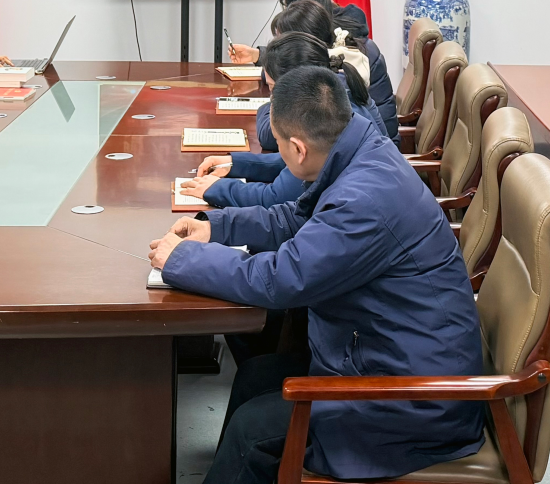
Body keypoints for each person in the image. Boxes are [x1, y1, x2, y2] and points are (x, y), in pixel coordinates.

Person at [150, 67, 484, 484]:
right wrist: (217, 228)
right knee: (256, 378)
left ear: (297, 149)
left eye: (280, 148)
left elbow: (281, 279)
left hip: (416, 404)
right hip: (390, 356)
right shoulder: (362, 152)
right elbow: (298, 218)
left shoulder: (364, 200)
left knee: (253, 432)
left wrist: (183, 260)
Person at [181, 29, 384, 210]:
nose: (271, 97)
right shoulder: (331, 96)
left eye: (272, 88)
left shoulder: (323, 115)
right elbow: (292, 162)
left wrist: (217, 188)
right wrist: (236, 163)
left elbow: (275, 197)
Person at [229, 0, 398, 138]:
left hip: (379, 143)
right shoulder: (331, 42)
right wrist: (260, 56)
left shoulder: (328, 85)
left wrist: (274, 97)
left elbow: (271, 134)